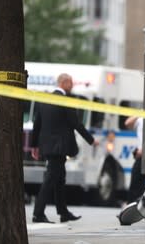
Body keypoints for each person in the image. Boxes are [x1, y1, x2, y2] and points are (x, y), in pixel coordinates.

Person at [30, 73, 99, 223]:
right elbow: (76, 124)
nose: (72, 86)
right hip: (60, 148)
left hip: (48, 147)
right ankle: (38, 214)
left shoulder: (44, 99)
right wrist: (91, 140)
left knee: (60, 179)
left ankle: (63, 212)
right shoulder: (65, 100)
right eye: (71, 83)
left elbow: (37, 125)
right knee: (50, 180)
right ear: (65, 83)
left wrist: (34, 146)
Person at [124, 105, 145, 204]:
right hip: (141, 155)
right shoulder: (140, 118)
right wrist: (141, 111)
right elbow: (127, 123)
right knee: (136, 180)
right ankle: (133, 206)